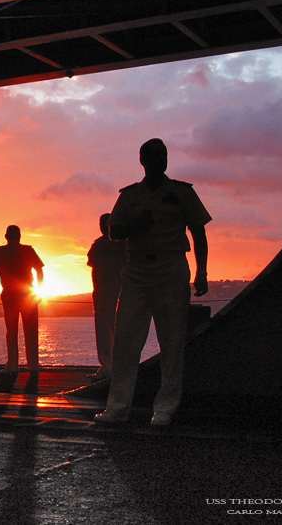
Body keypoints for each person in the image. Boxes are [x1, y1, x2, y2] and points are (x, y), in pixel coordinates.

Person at [95, 138, 211, 427]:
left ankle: (165, 407)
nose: (161, 160)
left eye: (164, 155)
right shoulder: (130, 195)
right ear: (142, 160)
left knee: (172, 341)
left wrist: (202, 272)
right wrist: (135, 226)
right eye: (154, 155)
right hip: (136, 270)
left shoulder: (181, 193)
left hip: (170, 267)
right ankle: (118, 406)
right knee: (125, 340)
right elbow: (114, 231)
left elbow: (199, 232)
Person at [0, 225, 44, 384]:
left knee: (11, 330)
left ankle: (13, 365)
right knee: (30, 330)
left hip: (9, 293)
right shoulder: (28, 250)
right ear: (20, 236)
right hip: (27, 293)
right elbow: (39, 270)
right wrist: (39, 289)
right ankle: (33, 366)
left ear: (6, 236)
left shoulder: (0, 252)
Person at [86, 213, 127, 382]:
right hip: (115, 288)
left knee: (105, 328)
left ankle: (109, 366)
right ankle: (116, 365)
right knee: (117, 327)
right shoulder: (124, 244)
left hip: (105, 289)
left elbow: (91, 262)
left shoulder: (100, 245)